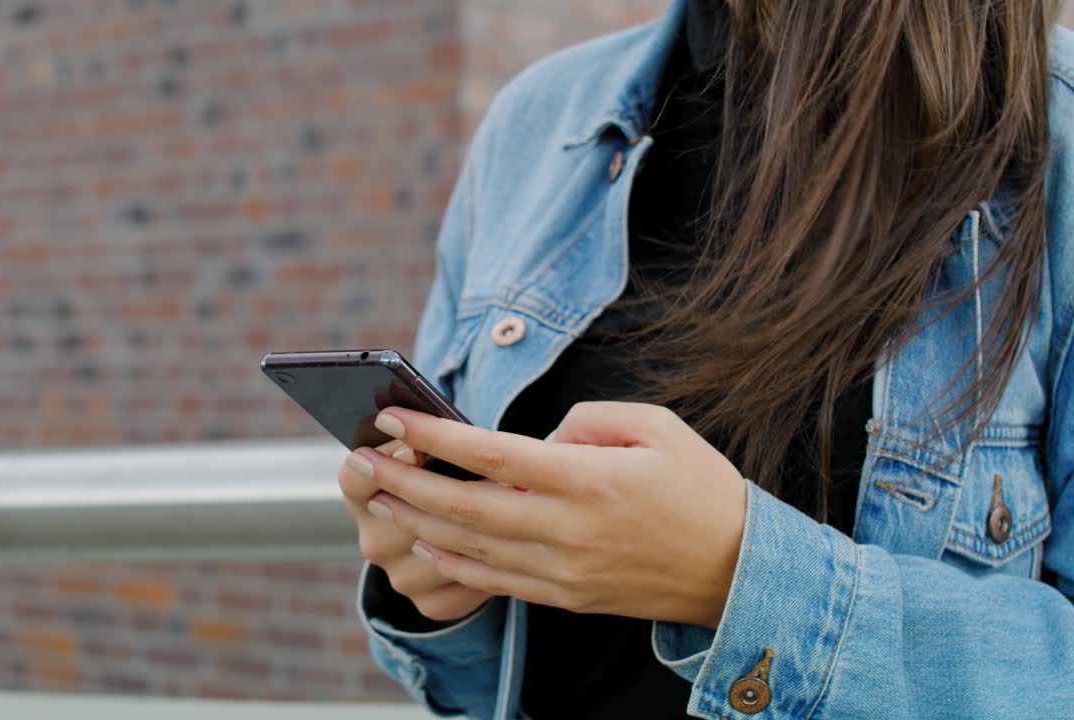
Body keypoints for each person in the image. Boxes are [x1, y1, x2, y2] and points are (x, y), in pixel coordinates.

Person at [337, 0, 1074, 717]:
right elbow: (493, 686)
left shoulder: (1054, 130)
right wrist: (439, 584)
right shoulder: (538, 121)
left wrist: (740, 578)